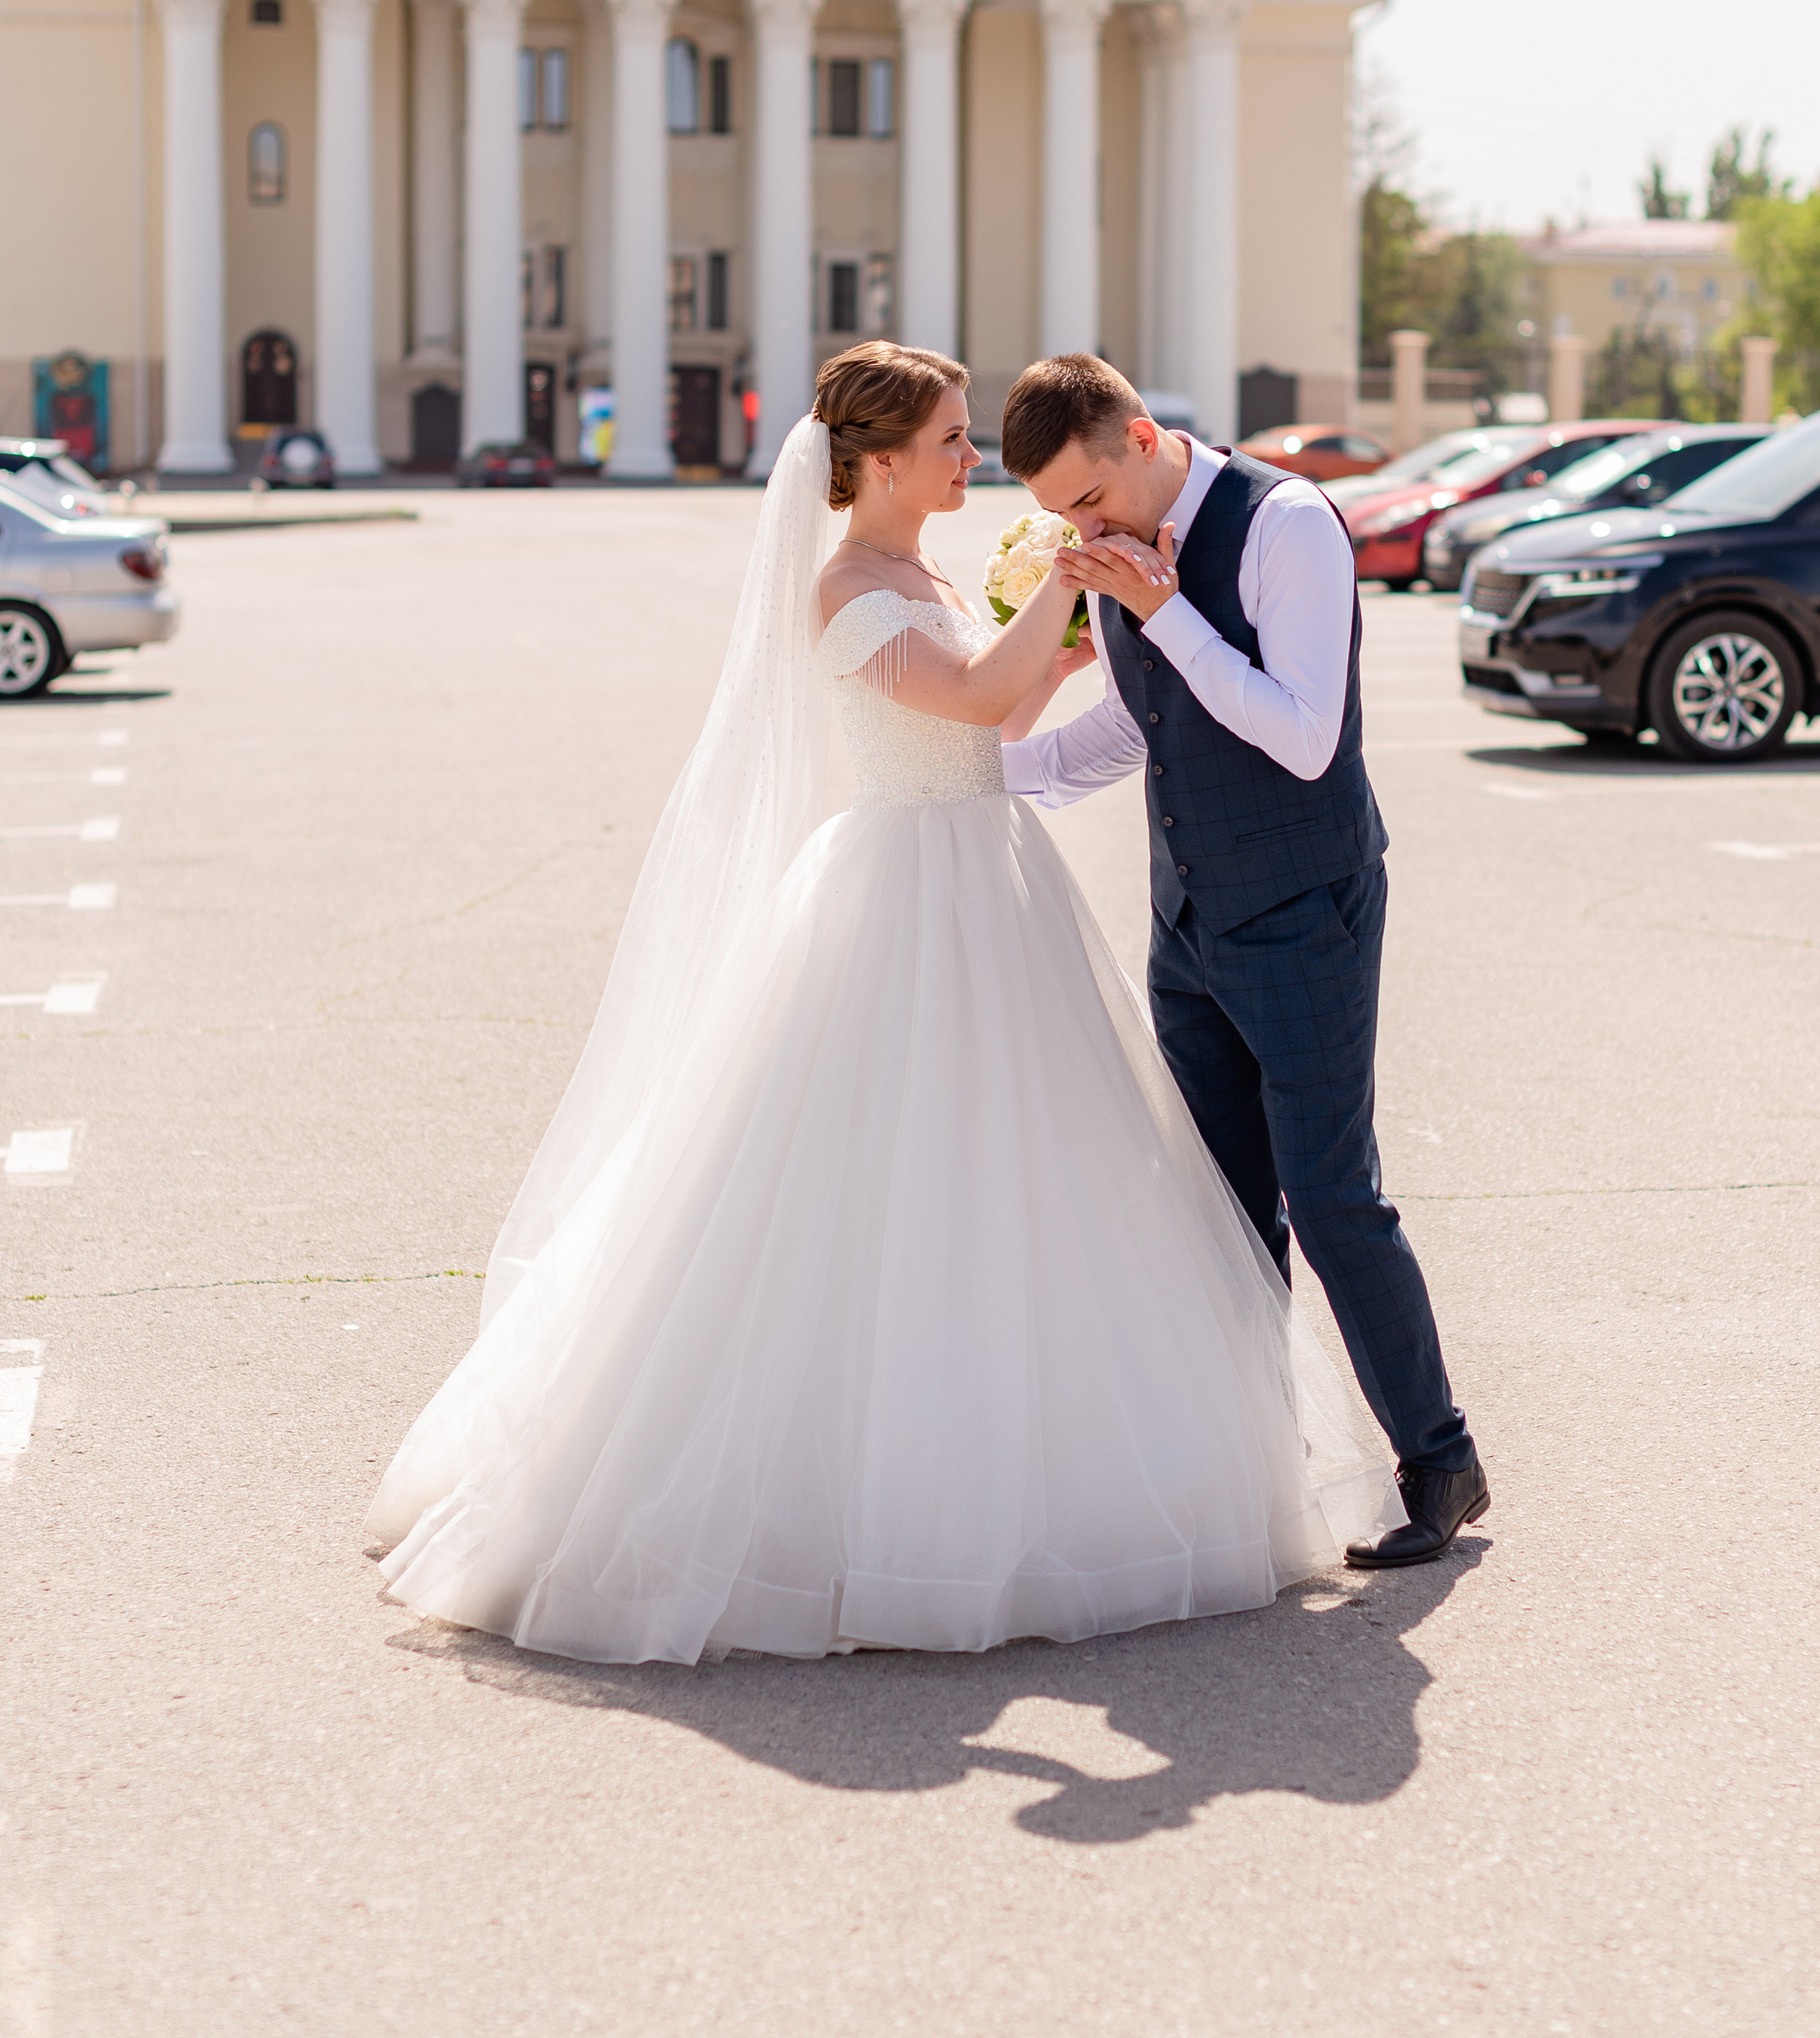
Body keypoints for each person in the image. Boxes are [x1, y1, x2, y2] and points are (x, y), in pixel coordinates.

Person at [367, 343, 1399, 1664]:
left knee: (1028, 1178)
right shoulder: (846, 586)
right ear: (879, 461)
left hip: (991, 877)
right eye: (953, 438)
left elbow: (999, 722)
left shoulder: (931, 576)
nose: (972, 458)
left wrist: (1065, 643)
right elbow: (966, 694)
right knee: (878, 1179)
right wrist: (1076, 580)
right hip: (904, 891)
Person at [997, 354, 1486, 1570]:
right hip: (1187, 917)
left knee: (1330, 1195)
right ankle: (1256, 1467)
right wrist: (982, 780)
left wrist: (1166, 610)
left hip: (1306, 905)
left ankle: (1441, 1459)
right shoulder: (1118, 544)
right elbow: (1139, 721)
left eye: (1088, 499)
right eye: (1060, 514)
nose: (1082, 531)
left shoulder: (1288, 524)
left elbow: (1303, 734)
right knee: (1220, 1207)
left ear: (1142, 436)